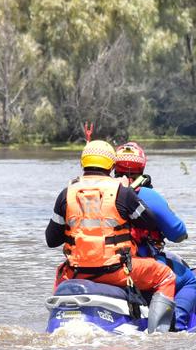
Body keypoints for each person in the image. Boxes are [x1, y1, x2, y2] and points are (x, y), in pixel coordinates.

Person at [46, 140, 178, 332]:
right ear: (111, 165)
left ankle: (55, 321)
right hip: (118, 271)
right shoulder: (122, 192)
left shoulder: (66, 194)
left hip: (75, 271)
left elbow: (51, 240)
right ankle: (158, 335)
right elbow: (150, 223)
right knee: (165, 276)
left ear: (83, 163)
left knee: (60, 272)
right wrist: (130, 194)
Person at [113, 141, 196, 332]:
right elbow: (178, 233)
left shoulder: (102, 194)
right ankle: (177, 328)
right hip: (136, 265)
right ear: (142, 167)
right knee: (188, 279)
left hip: (100, 263)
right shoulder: (147, 195)